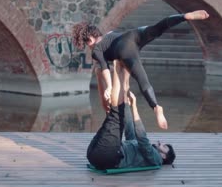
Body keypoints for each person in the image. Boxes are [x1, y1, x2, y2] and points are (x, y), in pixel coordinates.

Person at [72, 10, 209, 130]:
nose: (88, 47)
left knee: (143, 81)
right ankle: (184, 16)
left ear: (90, 39)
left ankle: (156, 107)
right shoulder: (109, 33)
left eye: (86, 43)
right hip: (134, 35)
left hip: (125, 49)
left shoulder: (96, 49)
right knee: (158, 28)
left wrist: (108, 87)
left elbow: (104, 68)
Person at [86, 60, 176, 170]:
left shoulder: (156, 159)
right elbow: (129, 128)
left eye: (164, 146)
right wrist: (127, 102)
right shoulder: (139, 148)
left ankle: (116, 68)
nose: (160, 143)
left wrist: (134, 107)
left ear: (164, 156)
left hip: (109, 158)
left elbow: (142, 138)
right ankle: (107, 74)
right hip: (95, 155)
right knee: (115, 113)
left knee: (114, 114)